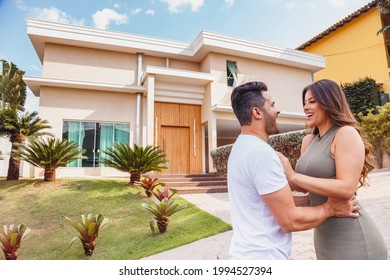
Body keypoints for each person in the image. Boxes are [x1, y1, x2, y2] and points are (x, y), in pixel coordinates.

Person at [228, 81, 359, 260]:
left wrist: (307, 200)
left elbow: (268, 204)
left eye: (312, 101)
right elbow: (290, 220)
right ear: (257, 112)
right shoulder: (261, 153)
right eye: (272, 105)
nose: (277, 110)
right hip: (264, 255)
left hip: (247, 252)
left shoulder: (240, 147)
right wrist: (331, 208)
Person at [278, 79, 388, 260]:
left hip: (353, 236)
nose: (306, 107)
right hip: (324, 236)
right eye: (305, 103)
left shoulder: (345, 134)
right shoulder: (308, 141)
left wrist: (293, 175)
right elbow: (306, 190)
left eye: (312, 101)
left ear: (329, 102)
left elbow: (346, 188)